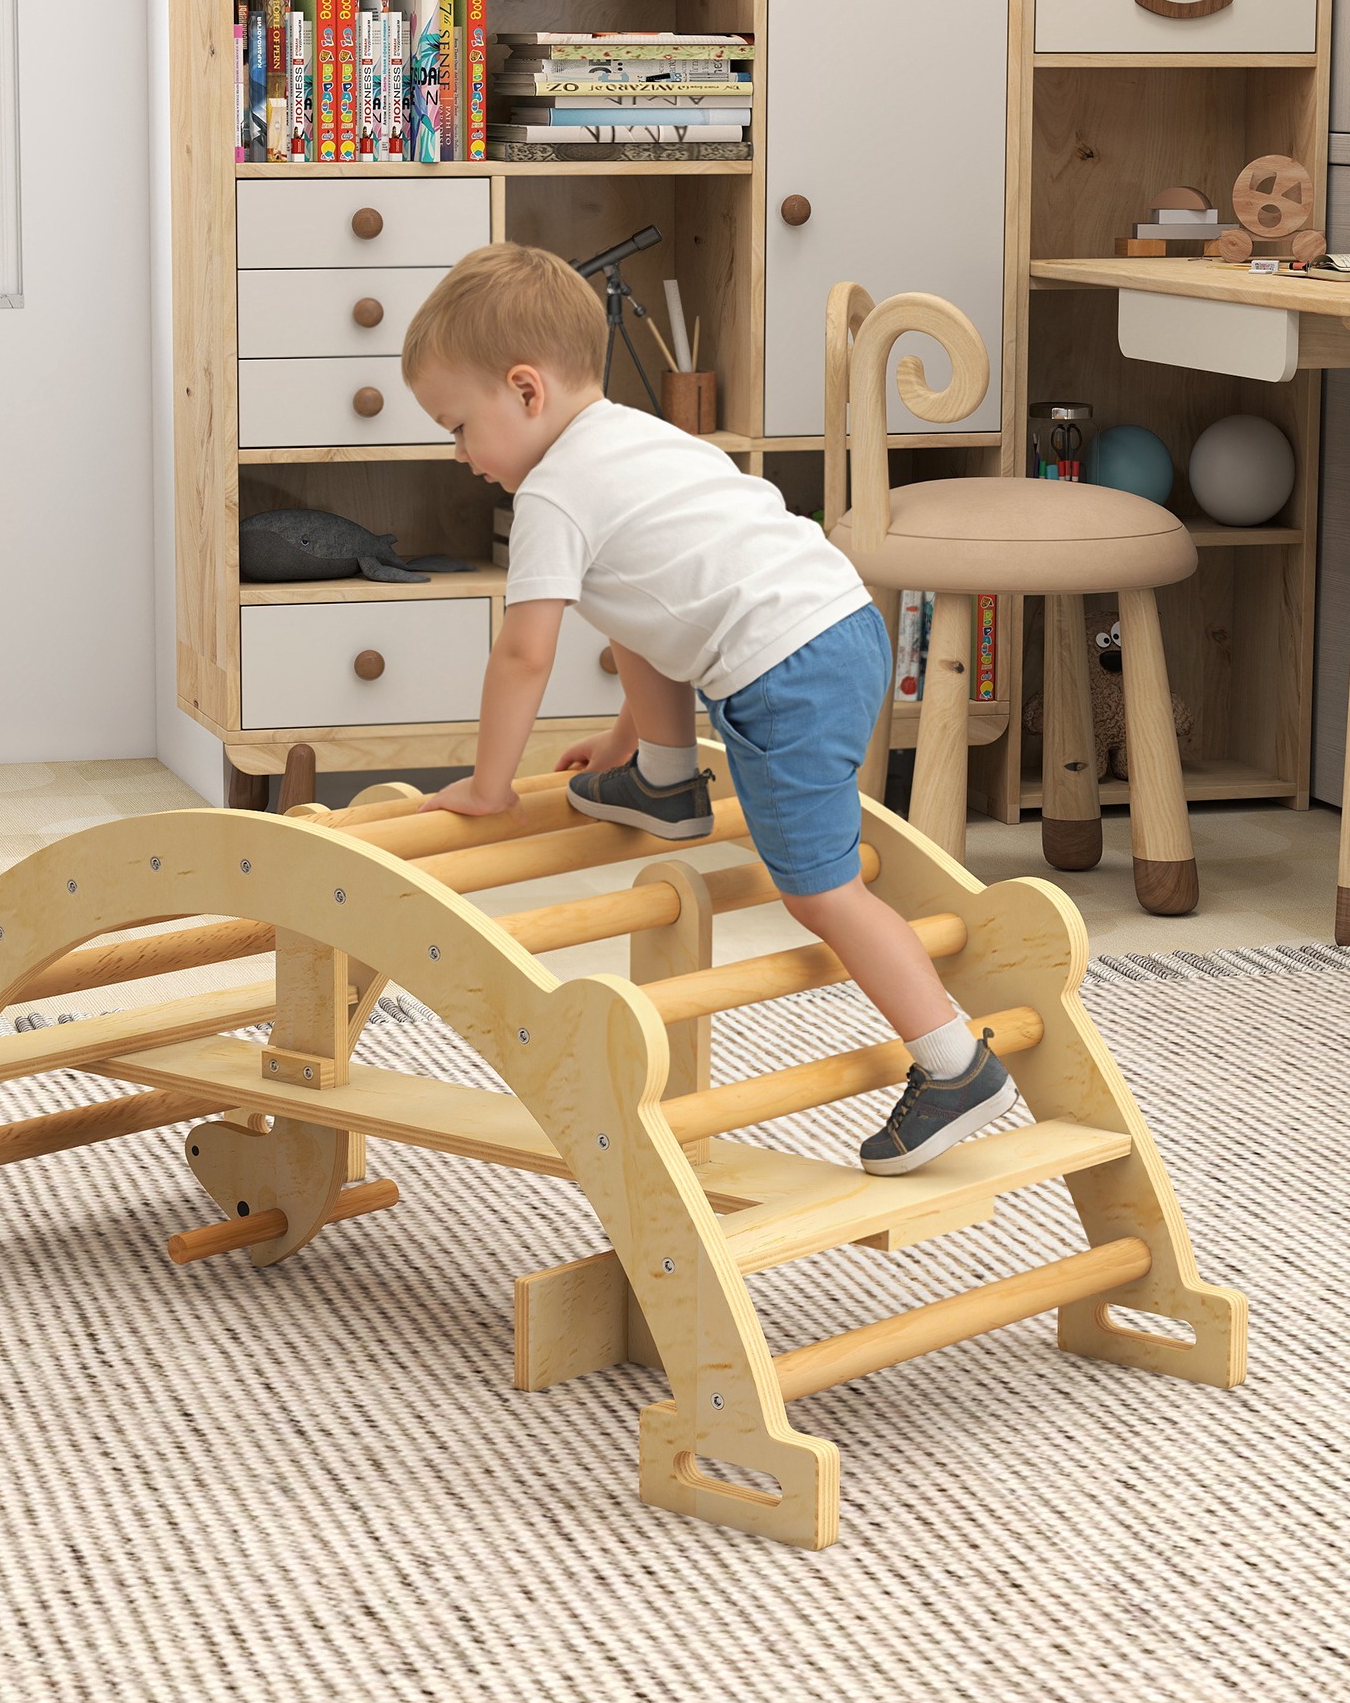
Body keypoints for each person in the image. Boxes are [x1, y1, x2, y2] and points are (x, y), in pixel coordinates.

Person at [403, 244, 1014, 1176]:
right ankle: (662, 776)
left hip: (784, 672)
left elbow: (525, 653)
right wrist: (622, 737)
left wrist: (491, 789)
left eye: (457, 426)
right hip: (839, 622)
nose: (459, 457)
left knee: (822, 889)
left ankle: (953, 1062)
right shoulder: (637, 437)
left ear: (525, 391)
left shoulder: (552, 497)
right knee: (626, 603)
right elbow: (662, 602)